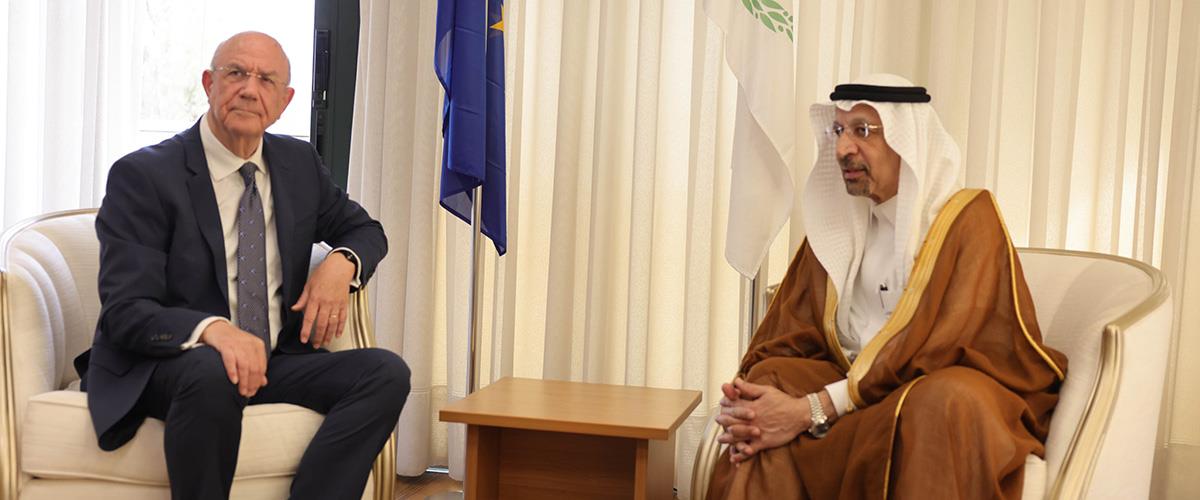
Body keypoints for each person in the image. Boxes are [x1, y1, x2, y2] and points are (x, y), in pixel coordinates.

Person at [72, 32, 409, 500]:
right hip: (169, 364)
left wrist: (340, 263)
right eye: (236, 73)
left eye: (266, 80)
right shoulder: (145, 175)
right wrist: (215, 331)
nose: (250, 89)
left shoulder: (297, 163)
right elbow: (125, 312)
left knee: (386, 372)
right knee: (213, 370)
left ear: (284, 101)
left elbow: (366, 231)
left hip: (274, 358)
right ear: (209, 84)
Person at [706, 74, 1068, 499]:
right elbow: (792, 333)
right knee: (771, 382)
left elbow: (936, 349)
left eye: (862, 131)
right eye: (838, 130)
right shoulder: (837, 228)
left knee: (942, 399)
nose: (843, 148)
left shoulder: (969, 221)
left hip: (935, 394)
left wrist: (813, 408)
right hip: (855, 388)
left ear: (907, 139)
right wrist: (755, 400)